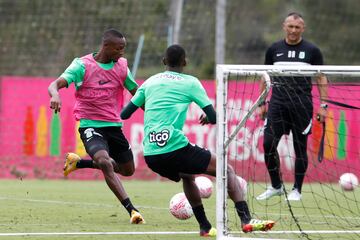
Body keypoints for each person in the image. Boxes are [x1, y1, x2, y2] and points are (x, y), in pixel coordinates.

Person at [121, 44, 275, 236]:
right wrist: (209, 117)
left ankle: (204, 226)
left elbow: (125, 114)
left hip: (152, 155)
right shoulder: (191, 83)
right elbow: (213, 116)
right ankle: (246, 219)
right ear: (185, 62)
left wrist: (153, 104)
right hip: (174, 148)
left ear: (163, 62)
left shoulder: (149, 83)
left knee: (188, 175)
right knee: (225, 169)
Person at [48, 28, 145, 224]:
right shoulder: (82, 66)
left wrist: (153, 112)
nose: (122, 52)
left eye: (124, 48)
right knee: (104, 161)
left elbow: (137, 93)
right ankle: (132, 210)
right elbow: (54, 84)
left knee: (127, 170)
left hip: (114, 126)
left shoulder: (121, 68)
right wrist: (56, 95)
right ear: (106, 46)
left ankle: (79, 163)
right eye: (119, 48)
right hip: (90, 125)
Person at [256, 12, 328, 201]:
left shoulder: (312, 50)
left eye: (297, 27)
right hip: (277, 104)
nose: (293, 30)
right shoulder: (274, 49)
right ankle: (276, 186)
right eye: (290, 26)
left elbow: (321, 77)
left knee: (300, 147)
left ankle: (297, 190)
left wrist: (324, 105)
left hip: (302, 105)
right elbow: (265, 76)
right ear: (284, 26)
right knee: (268, 143)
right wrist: (262, 102)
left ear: (303, 28)